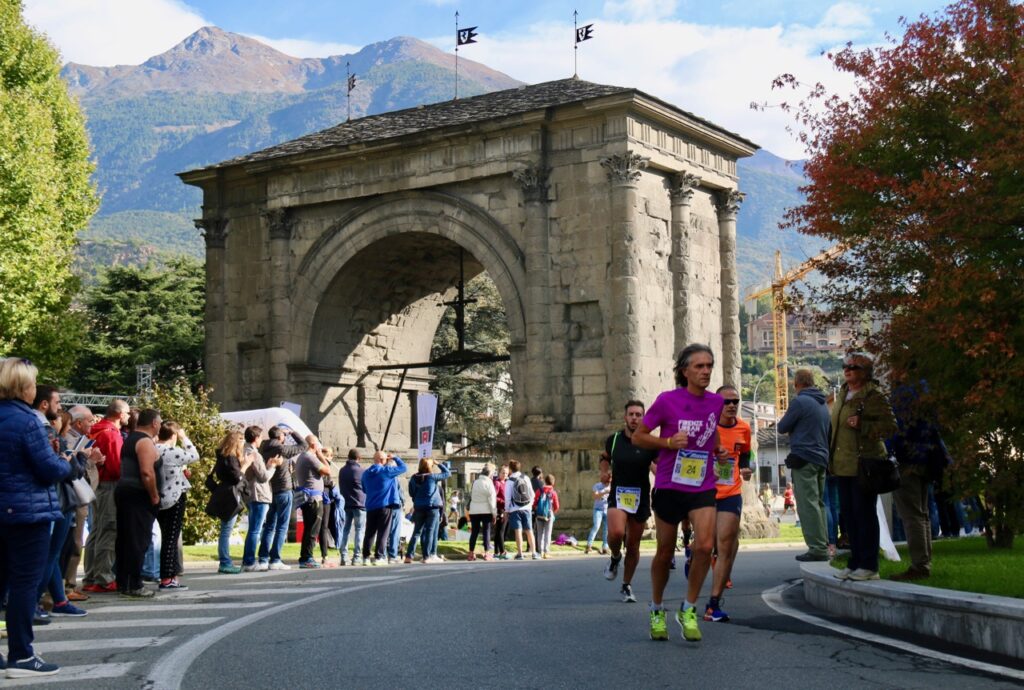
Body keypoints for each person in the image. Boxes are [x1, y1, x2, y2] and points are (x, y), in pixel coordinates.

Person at [632, 344, 729, 643]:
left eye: (709, 366)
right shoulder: (667, 401)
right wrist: (668, 443)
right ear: (684, 370)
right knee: (664, 552)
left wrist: (717, 451)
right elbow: (639, 436)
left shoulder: (715, 403)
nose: (706, 371)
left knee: (703, 546)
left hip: (701, 484)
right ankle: (657, 608)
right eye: (699, 366)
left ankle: (688, 608)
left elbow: (710, 432)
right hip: (669, 485)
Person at [0, 357, 73, 677]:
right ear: (21, 387)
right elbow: (49, 468)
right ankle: (21, 654)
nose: (34, 389)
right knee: (24, 585)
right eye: (31, 383)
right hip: (27, 512)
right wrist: (68, 462)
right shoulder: (28, 421)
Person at [829, 352, 897, 581]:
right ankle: (855, 561)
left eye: (854, 367)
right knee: (849, 516)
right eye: (845, 366)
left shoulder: (873, 396)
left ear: (866, 373)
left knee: (864, 515)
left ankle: (869, 565)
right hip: (842, 465)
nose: (848, 370)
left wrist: (863, 425)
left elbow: (889, 427)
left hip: (863, 464)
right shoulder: (842, 393)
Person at [30, 387, 88, 620]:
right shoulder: (43, 430)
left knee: (49, 555)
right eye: (57, 402)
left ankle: (59, 599)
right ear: (44, 404)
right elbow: (67, 470)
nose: (60, 407)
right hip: (53, 499)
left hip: (49, 498)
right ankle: (33, 603)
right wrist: (74, 458)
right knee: (48, 555)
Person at [887, 379, 950, 581]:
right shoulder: (927, 391)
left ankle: (919, 565)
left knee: (911, 515)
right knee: (922, 514)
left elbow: (895, 428)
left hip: (907, 460)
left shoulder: (902, 394)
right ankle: (924, 560)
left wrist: (887, 451)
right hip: (928, 459)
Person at [601, 400, 659, 603]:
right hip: (618, 493)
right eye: (631, 414)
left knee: (633, 545)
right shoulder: (614, 439)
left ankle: (626, 585)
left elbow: (657, 465)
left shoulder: (649, 442)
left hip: (641, 496)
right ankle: (615, 557)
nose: (635, 418)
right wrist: (604, 472)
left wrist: (661, 475)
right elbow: (605, 457)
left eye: (639, 414)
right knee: (616, 533)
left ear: (644, 418)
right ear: (625, 417)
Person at [704, 385, 752, 622]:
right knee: (707, 544)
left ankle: (713, 604)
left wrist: (745, 466)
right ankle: (695, 552)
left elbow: (745, 452)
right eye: (727, 402)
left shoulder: (744, 427)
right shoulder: (707, 426)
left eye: (736, 401)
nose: (732, 405)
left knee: (726, 544)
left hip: (731, 492)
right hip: (706, 492)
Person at [776, 369, 832, 562]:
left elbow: (782, 427)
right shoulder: (823, 403)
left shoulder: (800, 402)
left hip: (804, 458)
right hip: (821, 458)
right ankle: (824, 543)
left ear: (796, 384)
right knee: (819, 503)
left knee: (807, 504)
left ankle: (817, 548)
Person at [82, 399, 130, 594]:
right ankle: (104, 577)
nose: (128, 416)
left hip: (96, 485)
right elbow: (116, 466)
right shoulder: (111, 434)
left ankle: (91, 575)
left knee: (96, 530)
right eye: (126, 413)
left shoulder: (96, 430)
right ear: (119, 414)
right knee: (108, 529)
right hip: (109, 485)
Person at [114, 408, 164, 598]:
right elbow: (147, 472)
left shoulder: (130, 439)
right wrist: (154, 495)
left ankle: (124, 581)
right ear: (154, 423)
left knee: (126, 539)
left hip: (126, 493)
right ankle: (134, 584)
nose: (159, 425)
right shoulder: (144, 442)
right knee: (138, 540)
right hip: (138, 496)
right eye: (159, 422)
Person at [61, 405, 102, 600]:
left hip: (78, 496)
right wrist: (88, 458)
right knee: (74, 543)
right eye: (89, 420)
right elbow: (75, 470)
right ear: (77, 422)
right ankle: (67, 587)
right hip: (74, 497)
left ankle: (68, 586)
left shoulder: (77, 439)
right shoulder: (69, 440)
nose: (92, 424)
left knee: (76, 542)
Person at [155, 421, 198, 590]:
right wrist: (184, 437)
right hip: (174, 497)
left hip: (159, 497)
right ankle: (167, 577)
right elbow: (194, 455)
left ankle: (169, 575)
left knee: (165, 537)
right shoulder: (172, 451)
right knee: (171, 538)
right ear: (173, 436)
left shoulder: (152, 447)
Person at [257, 426, 306, 570]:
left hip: (270, 490)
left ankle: (263, 558)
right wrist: (292, 432)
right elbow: (303, 445)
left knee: (269, 526)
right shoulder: (282, 449)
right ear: (280, 437)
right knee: (282, 526)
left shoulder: (263, 448)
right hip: (284, 489)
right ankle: (275, 559)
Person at [211, 430, 252, 574]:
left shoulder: (222, 456)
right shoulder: (230, 458)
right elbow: (236, 478)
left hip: (224, 493)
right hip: (231, 496)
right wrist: (245, 466)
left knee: (225, 530)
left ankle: (225, 561)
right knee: (226, 530)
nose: (243, 444)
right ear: (237, 442)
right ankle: (225, 562)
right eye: (241, 441)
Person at [241, 426, 280, 572]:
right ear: (256, 438)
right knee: (255, 530)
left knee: (253, 529)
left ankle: (247, 561)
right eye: (260, 437)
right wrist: (273, 467)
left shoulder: (244, 450)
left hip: (250, 493)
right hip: (259, 494)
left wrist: (268, 465)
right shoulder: (254, 453)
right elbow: (263, 477)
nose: (261, 440)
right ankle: (249, 562)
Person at [362, 451, 407, 564]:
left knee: (370, 532)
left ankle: (365, 557)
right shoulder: (386, 471)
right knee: (383, 532)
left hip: (371, 505)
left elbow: (364, 489)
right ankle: (379, 556)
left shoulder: (366, 473)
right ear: (383, 460)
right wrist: (395, 457)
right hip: (385, 505)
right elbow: (403, 467)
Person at [295, 436, 332, 569]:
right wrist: (321, 456)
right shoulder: (310, 457)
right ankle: (307, 557)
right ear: (313, 444)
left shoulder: (302, 457)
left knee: (309, 528)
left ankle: (305, 557)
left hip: (309, 498)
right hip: (313, 499)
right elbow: (328, 470)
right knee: (312, 530)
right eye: (318, 444)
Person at [405, 457, 450, 563]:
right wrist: (439, 464)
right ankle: (427, 556)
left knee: (416, 532)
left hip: (419, 507)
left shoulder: (413, 478)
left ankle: (408, 556)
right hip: (432, 507)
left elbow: (411, 493)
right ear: (430, 467)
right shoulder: (432, 477)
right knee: (430, 531)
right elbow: (447, 473)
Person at [504, 460, 537, 560]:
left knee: (518, 531)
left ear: (510, 469)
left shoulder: (509, 481)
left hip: (515, 508)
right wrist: (529, 505)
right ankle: (534, 553)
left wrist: (506, 511)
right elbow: (532, 494)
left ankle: (520, 554)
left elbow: (508, 498)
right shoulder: (526, 478)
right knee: (529, 530)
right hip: (526, 508)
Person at [338, 449, 366, 566]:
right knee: (359, 530)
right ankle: (357, 556)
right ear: (359, 458)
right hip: (359, 503)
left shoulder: (342, 470)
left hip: (346, 503)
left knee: (345, 530)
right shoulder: (361, 471)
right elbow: (365, 486)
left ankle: (344, 556)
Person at [467, 464, 497, 561]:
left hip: (474, 510)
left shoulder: (475, 482)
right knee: (486, 531)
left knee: (474, 532)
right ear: (490, 474)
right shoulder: (489, 483)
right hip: (486, 510)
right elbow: (492, 501)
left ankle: (471, 553)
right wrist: (494, 514)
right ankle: (487, 553)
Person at [533, 474, 560, 558]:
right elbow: (557, 506)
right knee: (548, 534)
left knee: (539, 534)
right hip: (549, 514)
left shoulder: (539, 491)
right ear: (553, 482)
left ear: (545, 481)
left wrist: (536, 509)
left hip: (539, 515)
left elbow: (534, 503)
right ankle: (546, 552)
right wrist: (552, 512)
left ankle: (540, 552)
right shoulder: (553, 492)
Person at [585, 470, 610, 555]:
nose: (602, 477)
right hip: (598, 510)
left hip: (608, 510)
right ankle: (589, 545)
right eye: (602, 476)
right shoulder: (597, 485)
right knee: (596, 526)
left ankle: (605, 547)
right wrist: (604, 492)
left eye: (605, 476)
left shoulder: (612, 487)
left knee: (606, 529)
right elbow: (595, 496)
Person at [492, 465, 509, 560]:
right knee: (501, 531)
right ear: (499, 473)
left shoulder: (506, 482)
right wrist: (503, 501)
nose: (505, 475)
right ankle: (502, 551)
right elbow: (494, 497)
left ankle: (496, 552)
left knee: (500, 531)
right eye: (503, 473)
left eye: (506, 473)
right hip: (500, 509)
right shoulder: (497, 483)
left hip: (505, 508)